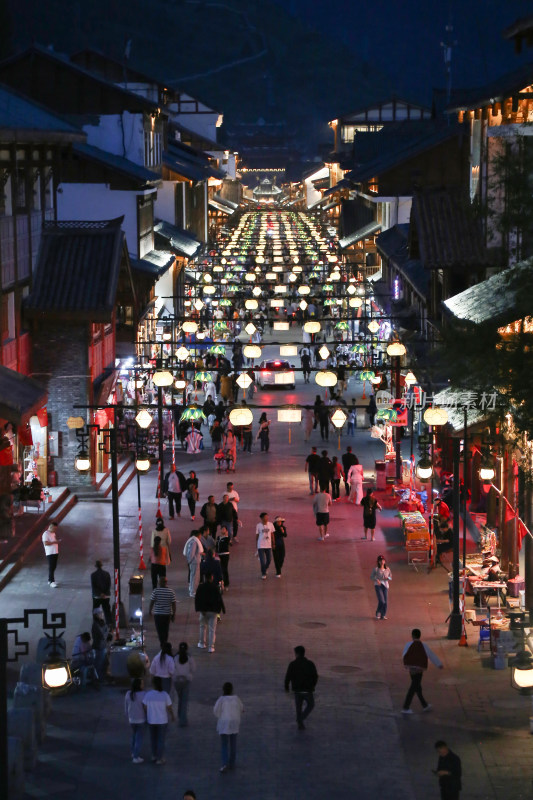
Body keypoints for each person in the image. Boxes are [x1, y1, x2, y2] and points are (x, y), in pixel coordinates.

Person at [401, 628, 443, 713]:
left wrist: (407, 664)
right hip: (420, 669)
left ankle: (424, 705)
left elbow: (404, 655)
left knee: (417, 686)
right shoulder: (424, 645)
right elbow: (431, 655)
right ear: (420, 636)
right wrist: (438, 664)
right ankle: (406, 707)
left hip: (411, 669)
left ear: (412, 636)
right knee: (414, 687)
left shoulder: (408, 644)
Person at [284, 645, 318, 730]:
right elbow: (315, 676)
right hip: (307, 690)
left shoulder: (292, 664)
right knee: (310, 705)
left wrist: (287, 687)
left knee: (298, 708)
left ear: (297, 654)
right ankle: (301, 720)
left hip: (297, 690)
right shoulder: (310, 663)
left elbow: (288, 676)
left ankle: (300, 721)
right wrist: (312, 685)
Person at [142, 676, 175, 765]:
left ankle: (154, 755)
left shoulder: (148, 695)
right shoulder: (165, 695)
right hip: (162, 721)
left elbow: (144, 707)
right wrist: (172, 716)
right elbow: (169, 708)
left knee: (153, 739)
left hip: (151, 720)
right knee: (161, 740)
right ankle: (159, 758)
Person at [214, 681, 244, 773]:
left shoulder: (221, 700)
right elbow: (242, 708)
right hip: (234, 723)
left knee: (224, 744)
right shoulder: (236, 699)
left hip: (224, 723)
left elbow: (216, 711)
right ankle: (232, 763)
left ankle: (224, 763)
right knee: (233, 743)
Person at [195, 571, 225, 653]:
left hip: (203, 611)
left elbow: (197, 599)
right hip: (213, 611)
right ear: (211, 578)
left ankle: (202, 643)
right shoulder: (215, 587)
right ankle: (211, 647)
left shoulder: (201, 587)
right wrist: (220, 610)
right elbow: (219, 599)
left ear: (205, 578)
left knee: (202, 627)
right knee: (212, 629)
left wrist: (200, 609)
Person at [149, 576, 176, 646]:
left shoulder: (155, 591)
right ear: (166, 583)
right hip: (167, 614)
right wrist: (173, 615)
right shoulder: (171, 592)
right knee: (166, 629)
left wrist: (150, 611)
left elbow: (152, 602)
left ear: (159, 583)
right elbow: (173, 604)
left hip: (158, 614)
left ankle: (162, 643)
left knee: (159, 630)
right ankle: (165, 642)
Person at [173, 642, 196, 727]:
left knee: (180, 698)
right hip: (186, 680)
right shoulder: (190, 658)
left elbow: (172, 669)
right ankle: (183, 720)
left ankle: (179, 714)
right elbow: (193, 669)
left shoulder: (175, 657)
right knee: (184, 700)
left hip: (177, 681)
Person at [125, 677, 146, 763]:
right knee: (139, 738)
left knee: (134, 736)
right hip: (140, 719)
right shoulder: (143, 694)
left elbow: (126, 708)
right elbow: (145, 708)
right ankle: (136, 756)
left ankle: (133, 753)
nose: (143, 685)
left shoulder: (128, 694)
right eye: (142, 683)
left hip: (131, 719)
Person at [183, 530, 204, 598]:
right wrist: (189, 561)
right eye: (200, 535)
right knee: (195, 577)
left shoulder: (192, 541)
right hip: (194, 562)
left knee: (193, 576)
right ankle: (193, 592)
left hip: (193, 562)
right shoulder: (194, 542)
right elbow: (192, 553)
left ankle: (192, 590)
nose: (201, 536)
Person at [371, 555, 392, 620]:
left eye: (383, 560)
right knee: (382, 600)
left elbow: (390, 577)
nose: (382, 562)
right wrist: (377, 580)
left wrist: (387, 578)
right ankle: (378, 611)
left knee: (385, 601)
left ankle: (383, 614)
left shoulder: (387, 569)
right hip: (378, 586)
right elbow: (372, 577)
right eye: (380, 561)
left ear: (384, 561)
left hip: (385, 586)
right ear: (378, 562)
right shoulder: (376, 569)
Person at [91, 608, 110, 680]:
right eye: (100, 613)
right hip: (99, 647)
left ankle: (103, 676)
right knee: (99, 663)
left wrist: (106, 630)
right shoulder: (95, 625)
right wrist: (107, 630)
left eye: (102, 612)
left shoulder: (102, 622)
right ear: (96, 615)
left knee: (105, 662)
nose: (102, 614)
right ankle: (98, 678)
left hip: (103, 646)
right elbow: (103, 635)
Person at [255, 511, 274, 579]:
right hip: (261, 545)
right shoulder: (258, 525)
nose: (267, 518)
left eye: (267, 516)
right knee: (262, 561)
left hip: (268, 545)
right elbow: (257, 535)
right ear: (262, 518)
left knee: (269, 559)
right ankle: (263, 573)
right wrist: (256, 545)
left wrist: (273, 543)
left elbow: (272, 534)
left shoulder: (271, 524)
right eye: (265, 517)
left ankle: (265, 568)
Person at [42, 522, 60, 587]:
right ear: (50, 527)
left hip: (55, 552)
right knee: (51, 567)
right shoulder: (45, 534)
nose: (55, 530)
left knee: (54, 566)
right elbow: (46, 543)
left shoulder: (53, 533)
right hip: (50, 553)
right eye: (54, 528)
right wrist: (54, 542)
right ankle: (51, 581)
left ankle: (51, 579)